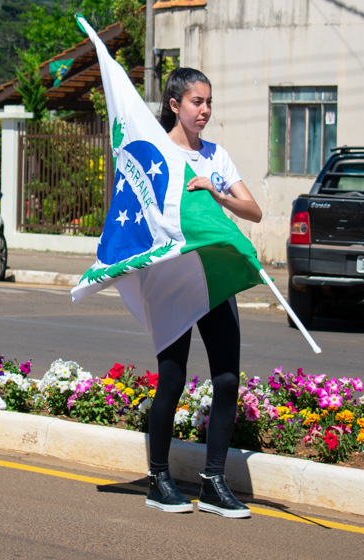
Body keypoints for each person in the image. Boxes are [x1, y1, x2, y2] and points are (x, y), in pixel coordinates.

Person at [145, 67, 262, 518]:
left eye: (209, 102)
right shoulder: (157, 153)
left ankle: (214, 481)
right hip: (174, 280)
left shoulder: (216, 156)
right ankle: (158, 477)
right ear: (175, 105)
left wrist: (217, 194)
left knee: (227, 379)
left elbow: (252, 210)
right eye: (197, 102)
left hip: (214, 277)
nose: (205, 110)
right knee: (172, 378)